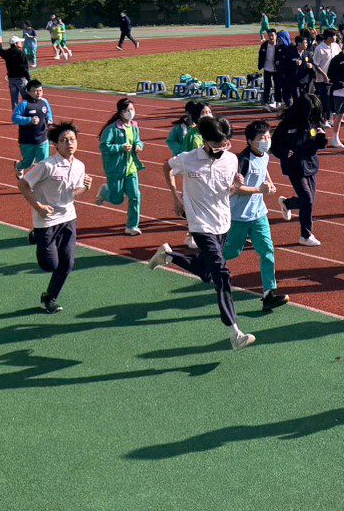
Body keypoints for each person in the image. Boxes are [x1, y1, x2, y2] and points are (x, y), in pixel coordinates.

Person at [148, 115, 257, 350]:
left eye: (225, 143)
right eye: (217, 144)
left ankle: (169, 255)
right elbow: (166, 166)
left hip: (222, 223)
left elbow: (225, 192)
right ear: (205, 142)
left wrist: (236, 188)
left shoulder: (231, 160)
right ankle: (235, 332)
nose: (222, 148)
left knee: (206, 274)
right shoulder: (188, 159)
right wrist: (175, 197)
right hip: (200, 225)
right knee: (221, 273)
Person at [18, 121, 92, 313]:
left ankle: (50, 297)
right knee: (49, 265)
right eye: (64, 140)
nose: (69, 143)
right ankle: (36, 235)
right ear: (56, 145)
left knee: (67, 263)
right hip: (46, 220)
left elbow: (74, 194)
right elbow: (23, 185)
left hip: (68, 218)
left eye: (72, 139)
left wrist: (86, 187)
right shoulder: (47, 166)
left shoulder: (80, 166)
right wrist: (39, 206)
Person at [223, 119, 289, 312]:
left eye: (268, 136)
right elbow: (235, 188)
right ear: (251, 141)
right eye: (262, 137)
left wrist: (270, 182)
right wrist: (259, 190)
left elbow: (264, 169)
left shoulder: (265, 155)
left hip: (259, 214)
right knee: (233, 252)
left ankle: (269, 294)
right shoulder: (243, 160)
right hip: (239, 216)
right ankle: (206, 262)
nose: (266, 140)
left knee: (267, 251)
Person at [272, 92, 329, 247]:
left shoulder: (314, 122)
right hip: (295, 167)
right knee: (307, 200)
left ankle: (288, 204)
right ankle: (306, 235)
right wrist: (285, 153)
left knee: (308, 201)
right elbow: (275, 145)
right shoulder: (287, 124)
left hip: (310, 165)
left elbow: (317, 143)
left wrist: (322, 140)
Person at [97, 98, 145, 236]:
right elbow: (104, 146)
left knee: (135, 196)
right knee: (117, 199)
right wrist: (121, 147)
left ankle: (132, 226)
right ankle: (105, 191)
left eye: (132, 109)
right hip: (116, 168)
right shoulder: (112, 129)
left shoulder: (134, 126)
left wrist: (139, 146)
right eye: (127, 110)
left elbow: (138, 141)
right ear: (120, 112)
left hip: (131, 168)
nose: (130, 112)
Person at [12, 79, 54, 178]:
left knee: (44, 163)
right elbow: (14, 118)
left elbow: (48, 113)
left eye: (40, 90)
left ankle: (40, 182)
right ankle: (19, 166)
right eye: (35, 91)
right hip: (27, 140)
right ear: (28, 91)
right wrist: (29, 120)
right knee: (28, 163)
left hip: (42, 138)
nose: (38, 93)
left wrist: (50, 121)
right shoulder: (24, 104)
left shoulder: (44, 101)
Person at [0, 34, 34, 110]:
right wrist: (29, 80)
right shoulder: (21, 53)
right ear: (16, 44)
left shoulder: (7, 53)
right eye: (20, 42)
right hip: (21, 79)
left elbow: (0, 50)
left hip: (11, 78)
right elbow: (25, 68)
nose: (21, 43)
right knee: (26, 98)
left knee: (14, 100)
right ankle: (29, 114)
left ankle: (16, 117)